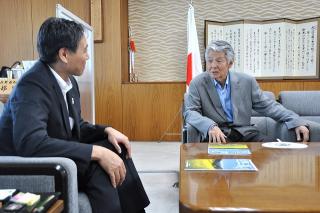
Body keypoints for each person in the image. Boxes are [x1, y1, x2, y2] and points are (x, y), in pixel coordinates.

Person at [0, 17, 149, 213]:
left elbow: (75, 127)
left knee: (115, 146)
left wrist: (107, 130)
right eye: (84, 49)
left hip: (55, 153)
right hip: (28, 166)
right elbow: (31, 142)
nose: (88, 56)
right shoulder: (32, 86)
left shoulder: (68, 82)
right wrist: (96, 153)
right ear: (64, 54)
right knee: (98, 165)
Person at [184, 40, 309, 143]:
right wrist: (210, 126)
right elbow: (190, 112)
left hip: (244, 132)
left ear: (230, 63)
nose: (213, 65)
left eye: (219, 60)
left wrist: (295, 121)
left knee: (271, 150)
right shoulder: (197, 83)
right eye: (210, 60)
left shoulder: (246, 81)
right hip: (217, 134)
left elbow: (269, 106)